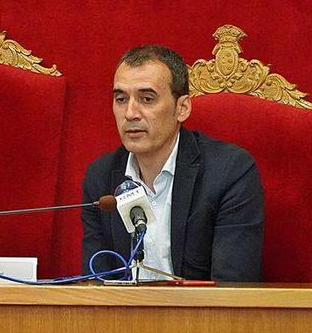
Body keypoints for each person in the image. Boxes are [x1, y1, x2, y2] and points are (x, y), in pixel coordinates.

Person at [81, 45, 263, 282]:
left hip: (201, 317)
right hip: (120, 318)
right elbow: (96, 284)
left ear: (182, 108)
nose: (130, 113)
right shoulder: (101, 177)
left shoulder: (230, 172)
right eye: (121, 99)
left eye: (147, 99)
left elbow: (231, 290)